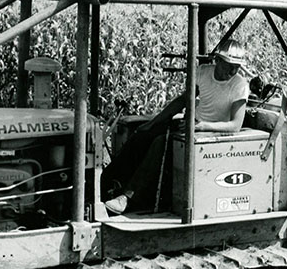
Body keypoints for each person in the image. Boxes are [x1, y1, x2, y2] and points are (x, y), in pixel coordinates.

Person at [102, 39, 250, 214]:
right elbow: (182, 100)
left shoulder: (239, 85)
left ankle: (129, 197)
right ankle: (104, 183)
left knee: (160, 143)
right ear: (217, 60)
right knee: (142, 134)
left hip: (209, 136)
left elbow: (234, 126)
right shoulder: (203, 73)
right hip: (191, 127)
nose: (233, 71)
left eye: (237, 67)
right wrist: (153, 122)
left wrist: (201, 126)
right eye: (229, 65)